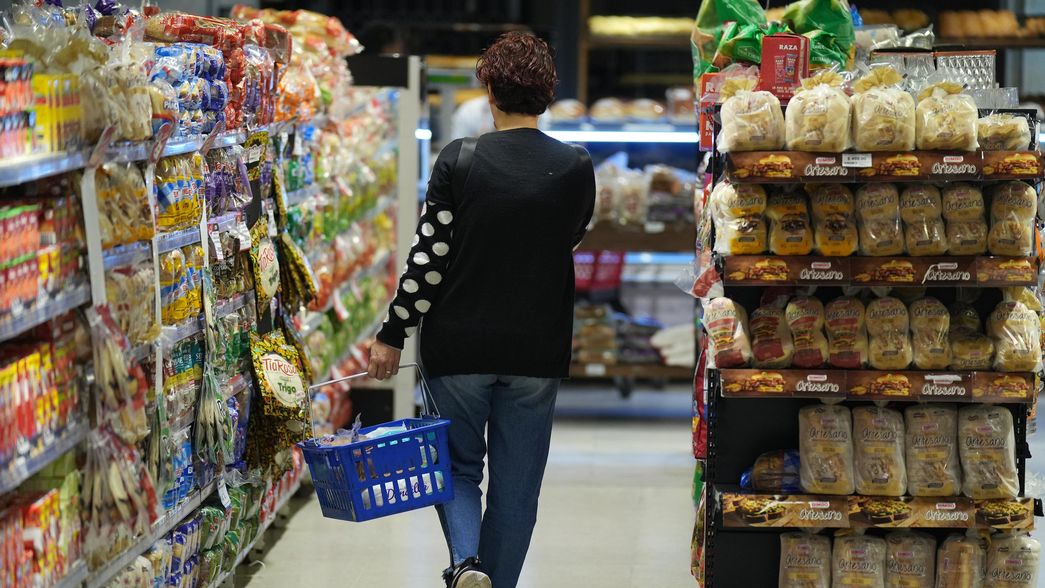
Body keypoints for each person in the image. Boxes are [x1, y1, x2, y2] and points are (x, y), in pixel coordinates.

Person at [368, 31, 596, 588]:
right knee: (517, 488)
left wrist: (393, 331)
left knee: (458, 469)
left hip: (459, 346)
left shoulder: (460, 160)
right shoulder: (574, 166)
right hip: (536, 350)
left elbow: (428, 260)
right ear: (546, 92)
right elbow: (569, 238)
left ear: (489, 89)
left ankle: (467, 565)